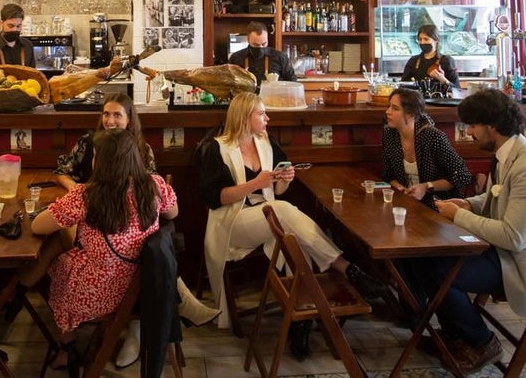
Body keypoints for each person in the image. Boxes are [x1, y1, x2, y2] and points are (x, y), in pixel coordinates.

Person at [199, 92, 385, 359]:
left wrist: (285, 178)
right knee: (283, 212)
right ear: (244, 117)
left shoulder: (266, 143)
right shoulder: (217, 148)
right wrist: (255, 184)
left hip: (268, 217)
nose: (267, 118)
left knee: (291, 239)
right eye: (262, 113)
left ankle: (301, 321)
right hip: (231, 221)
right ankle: (345, 268)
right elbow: (215, 198)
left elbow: (279, 190)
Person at [407, 89, 526, 375]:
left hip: (524, 264)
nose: (469, 132)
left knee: (440, 269)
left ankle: (482, 342)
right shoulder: (508, 153)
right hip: (501, 252)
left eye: (472, 126)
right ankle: (458, 335)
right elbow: (497, 198)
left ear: (491, 126)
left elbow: (513, 237)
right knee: (422, 259)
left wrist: (460, 215)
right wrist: (468, 202)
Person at [52, 94, 218, 367]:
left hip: (121, 237)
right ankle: (179, 299)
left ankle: (74, 339)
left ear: (130, 119)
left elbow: (145, 195)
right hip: (108, 230)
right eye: (106, 114)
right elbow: (168, 207)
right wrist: (78, 191)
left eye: (117, 115)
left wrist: (89, 196)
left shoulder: (141, 153)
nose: (110, 120)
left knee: (60, 254)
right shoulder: (90, 145)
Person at [32, 128, 178, 378]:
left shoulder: (88, 194)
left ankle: (67, 346)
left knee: (55, 262)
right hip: (144, 288)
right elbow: (173, 214)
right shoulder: (154, 186)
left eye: (95, 155)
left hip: (98, 293)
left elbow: (38, 226)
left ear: (102, 161)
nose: (92, 160)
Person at [381, 88, 472, 205]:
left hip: (438, 204)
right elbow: (387, 175)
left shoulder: (433, 137)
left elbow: (462, 175)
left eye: (395, 108)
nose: (387, 111)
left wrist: (426, 187)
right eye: (389, 106)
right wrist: (399, 188)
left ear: (411, 114)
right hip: (405, 202)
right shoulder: (389, 134)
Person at [227, 21, 296, 84]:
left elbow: (292, 82)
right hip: (245, 97)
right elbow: (228, 83)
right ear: (248, 39)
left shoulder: (280, 57)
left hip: (273, 97)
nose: (260, 47)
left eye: (264, 44)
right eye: (255, 44)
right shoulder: (235, 58)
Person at [400, 24, 459, 96]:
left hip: (440, 103)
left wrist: (443, 79)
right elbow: (403, 85)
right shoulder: (413, 61)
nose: (422, 42)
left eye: (426, 39)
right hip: (417, 102)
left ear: (436, 40)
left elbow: (458, 90)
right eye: (420, 39)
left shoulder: (447, 61)